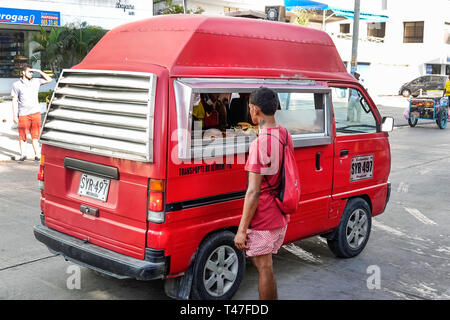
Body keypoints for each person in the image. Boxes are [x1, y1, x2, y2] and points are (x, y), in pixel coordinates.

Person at [234, 87, 291, 300]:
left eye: (250, 109)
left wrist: (241, 230)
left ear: (255, 110)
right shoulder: (284, 134)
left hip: (265, 216)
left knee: (264, 267)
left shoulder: (260, 144)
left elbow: (253, 192)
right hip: (280, 212)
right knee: (265, 265)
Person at [11, 65, 52, 161]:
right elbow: (14, 100)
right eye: (29, 71)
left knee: (35, 135)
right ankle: (23, 155)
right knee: (23, 136)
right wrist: (14, 115)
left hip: (35, 113)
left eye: (32, 72)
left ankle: (37, 155)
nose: (32, 73)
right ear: (23, 73)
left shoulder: (36, 81)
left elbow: (49, 79)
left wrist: (38, 70)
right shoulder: (16, 85)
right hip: (23, 114)